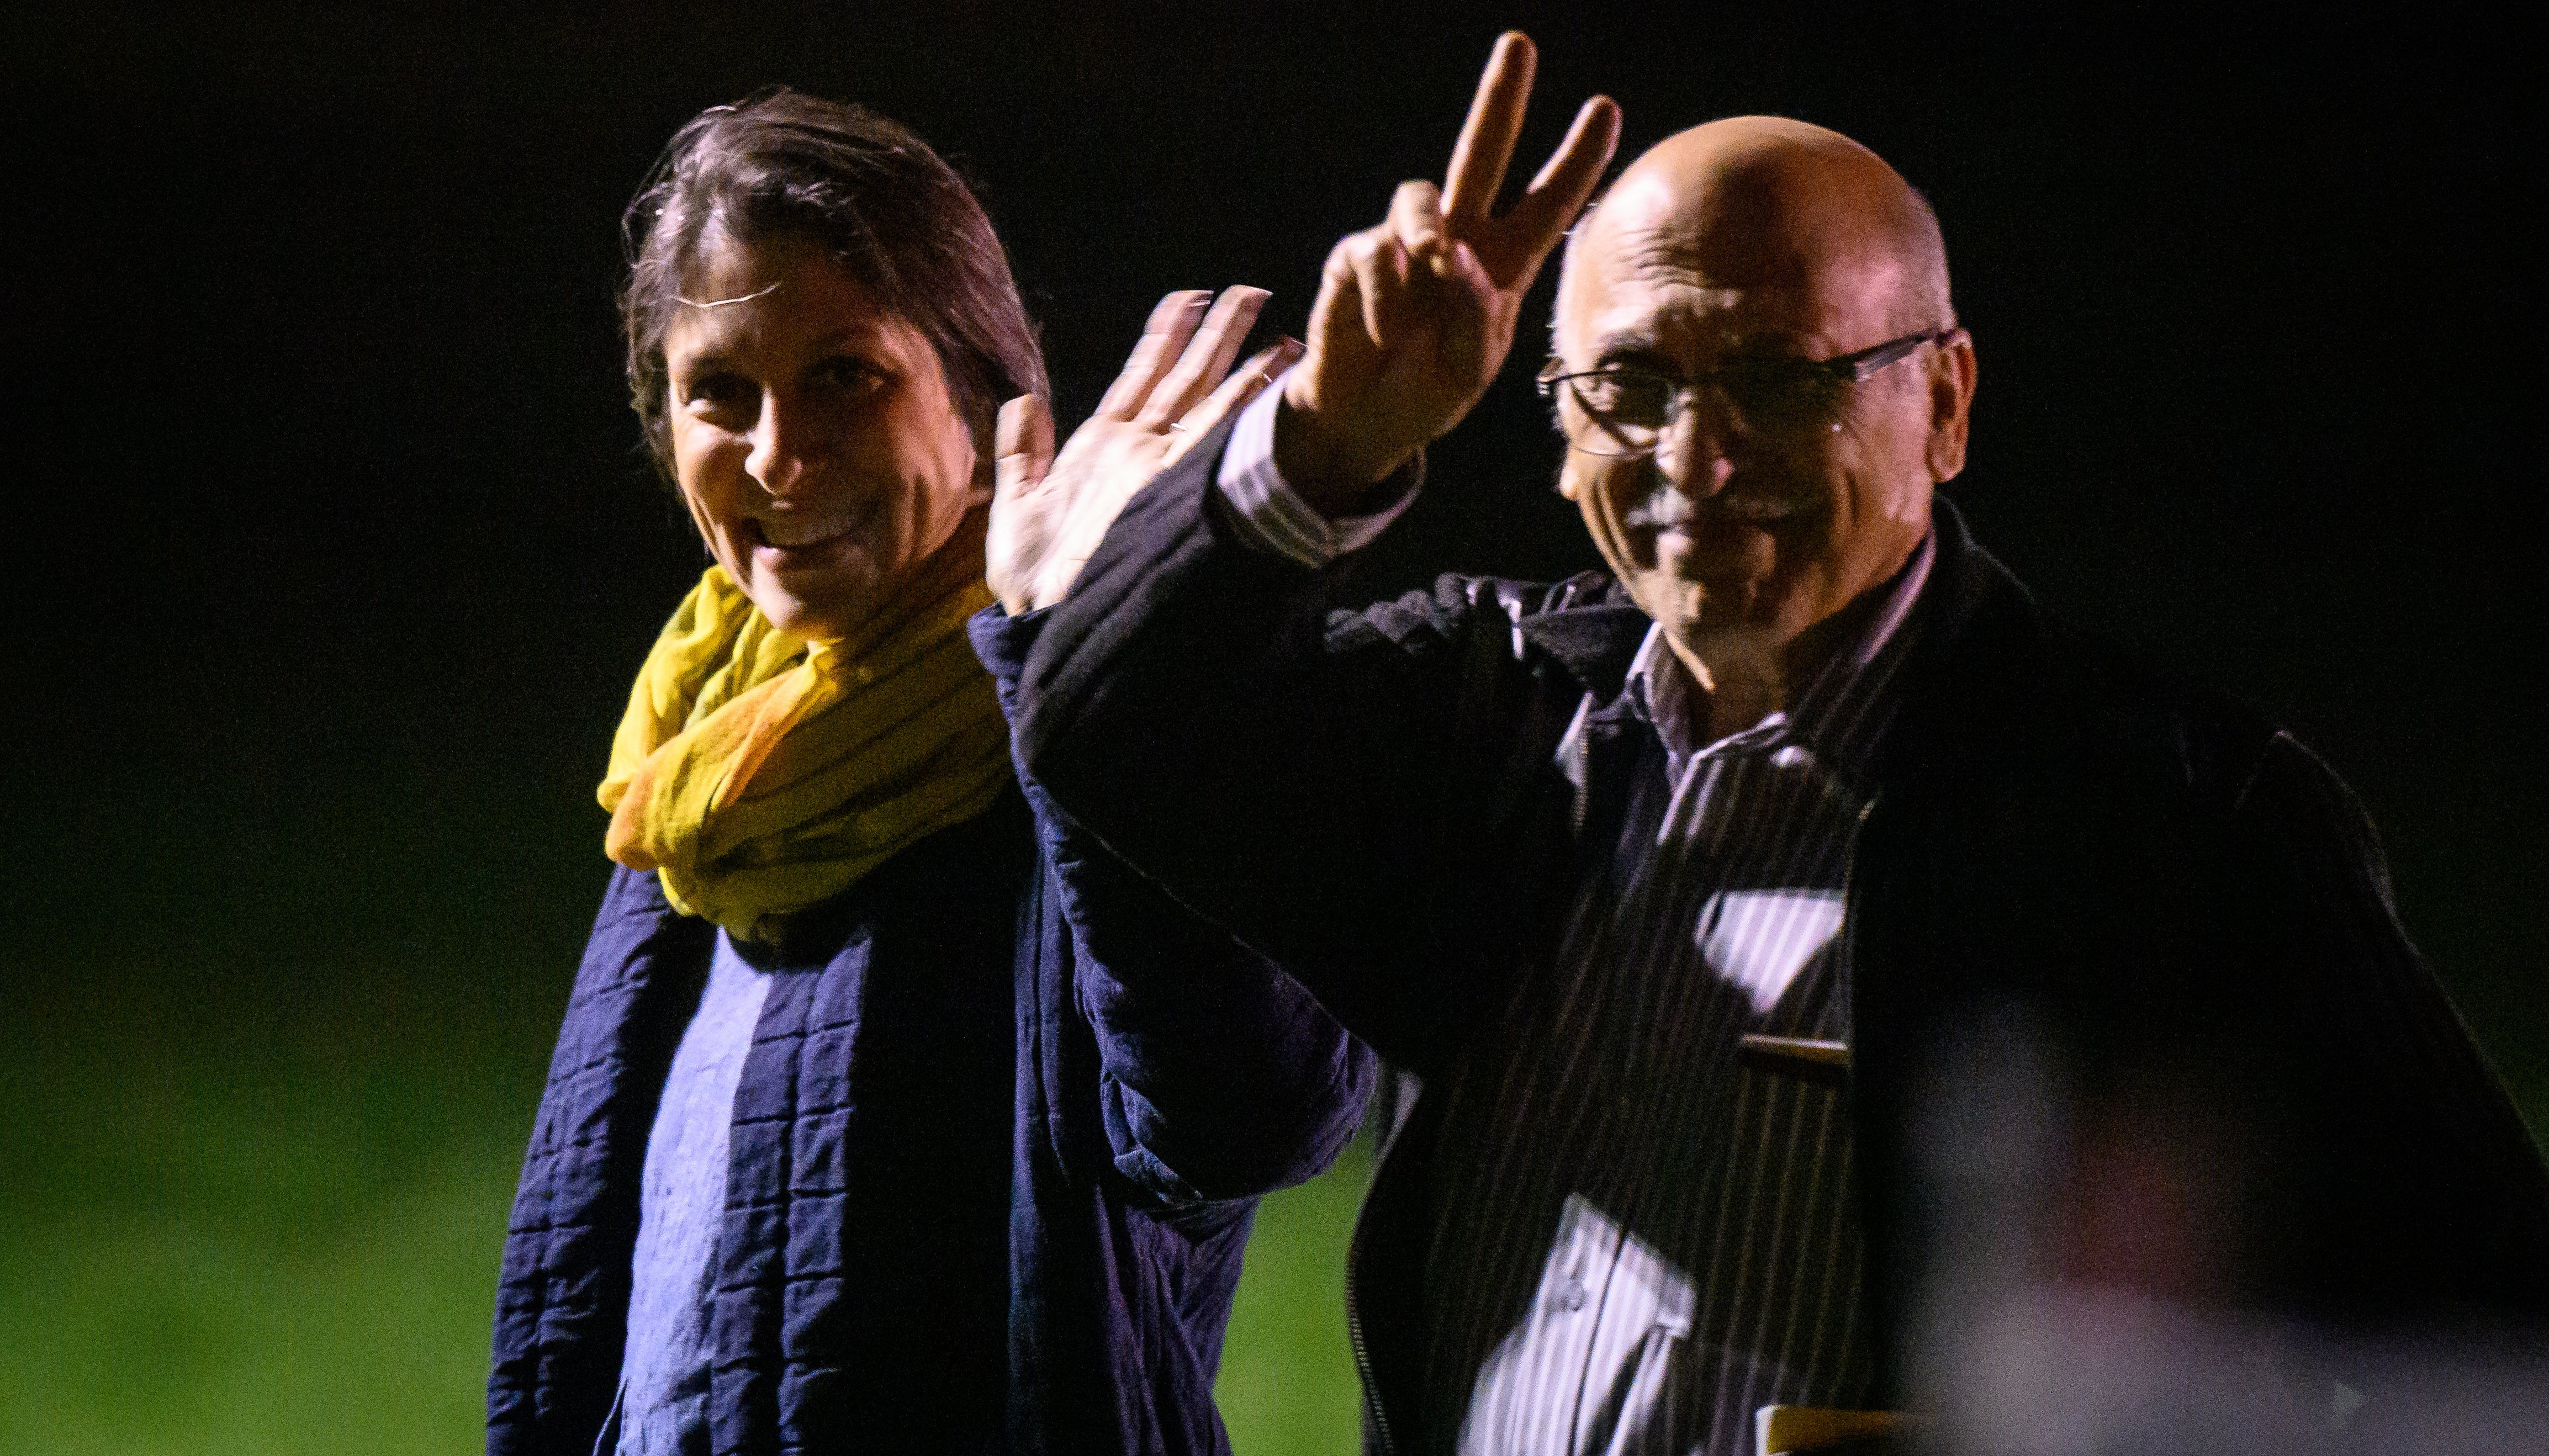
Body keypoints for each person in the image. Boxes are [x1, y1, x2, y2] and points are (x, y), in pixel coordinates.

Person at [992, 33, 2549, 1453]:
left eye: (1780, 377)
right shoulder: (1504, 703)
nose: (1696, 453)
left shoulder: (2173, 809)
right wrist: (1327, 447)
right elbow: (1112, 725)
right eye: (1633, 383)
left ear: (1944, 401)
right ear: (1553, 419)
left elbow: (2485, 1331)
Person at [485, 89, 1373, 1455]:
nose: (779, 455)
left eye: (847, 373)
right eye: (718, 391)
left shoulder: (1080, 731)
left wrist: (1084, 670)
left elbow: (1254, 1114)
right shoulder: (698, 774)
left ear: (980, 400)